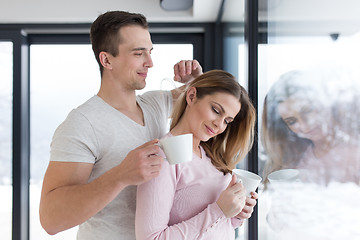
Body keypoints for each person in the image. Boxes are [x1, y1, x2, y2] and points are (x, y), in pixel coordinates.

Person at [39, 11, 202, 240]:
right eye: (138, 53)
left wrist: (195, 80)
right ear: (107, 60)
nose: (150, 62)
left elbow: (198, 102)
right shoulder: (82, 124)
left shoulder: (155, 103)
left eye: (150, 52)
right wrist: (120, 176)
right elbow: (50, 219)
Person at [135, 70, 258, 240]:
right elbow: (151, 238)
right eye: (216, 110)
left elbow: (213, 229)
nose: (219, 125)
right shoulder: (165, 155)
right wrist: (218, 210)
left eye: (227, 121)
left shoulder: (211, 157)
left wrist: (235, 214)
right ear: (192, 96)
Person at [261, 66, 360, 186]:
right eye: (291, 121)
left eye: (308, 110)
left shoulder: (354, 151)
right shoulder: (295, 159)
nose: (304, 124)